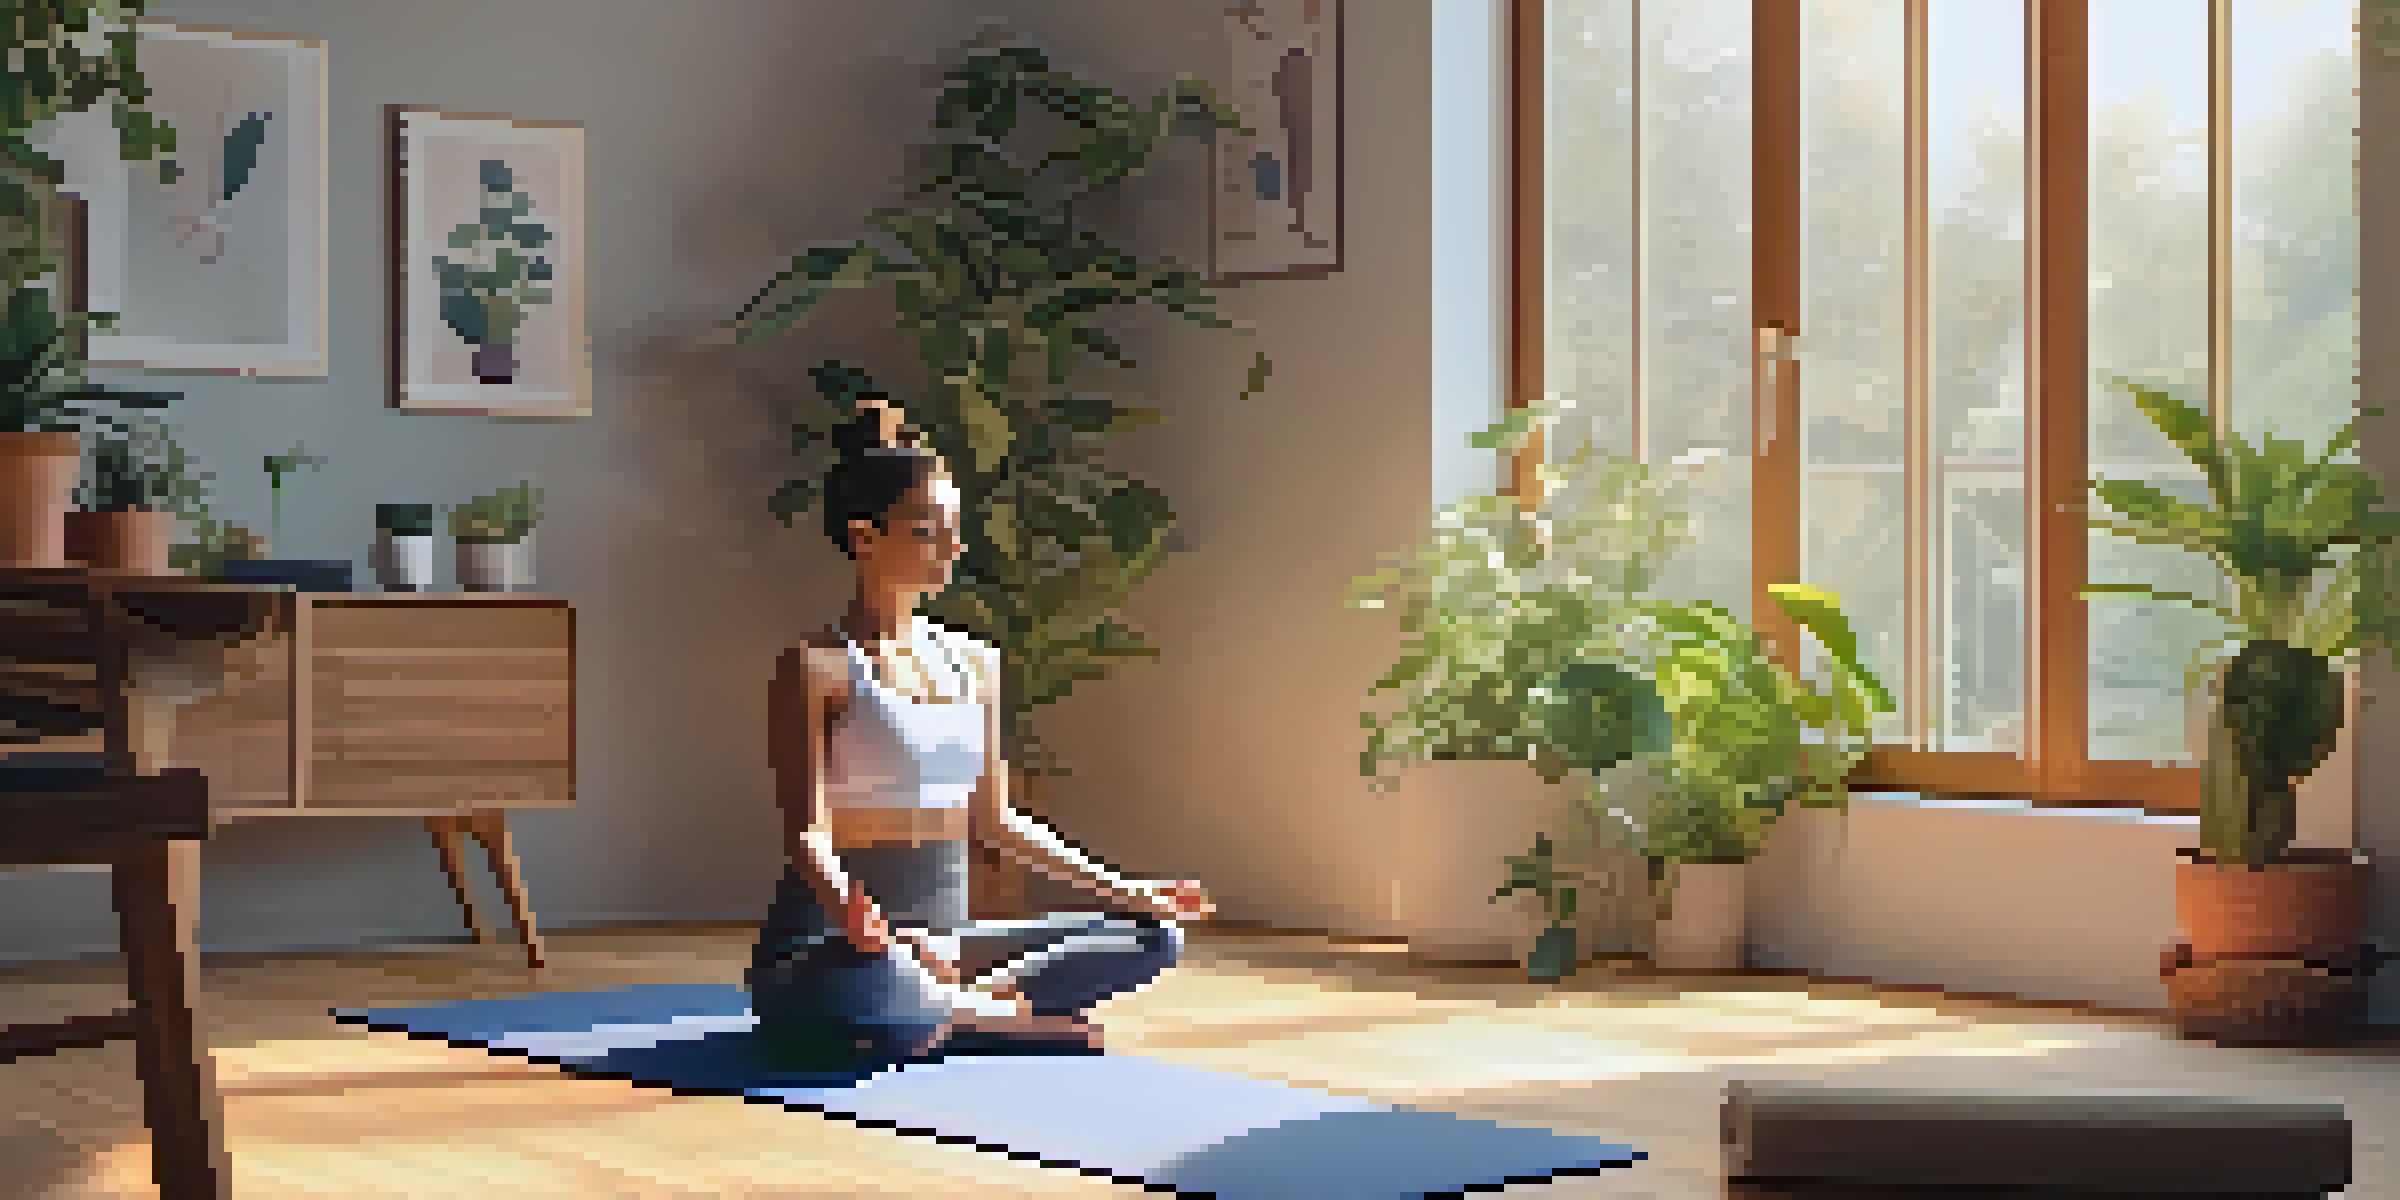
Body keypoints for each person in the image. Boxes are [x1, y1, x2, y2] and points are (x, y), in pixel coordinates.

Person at [746, 401, 1216, 1073]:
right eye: (927, 531)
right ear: (864, 537)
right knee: (867, 977)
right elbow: (807, 834)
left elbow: (995, 821)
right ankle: (993, 1017)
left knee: (1154, 938)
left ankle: (948, 1012)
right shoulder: (816, 664)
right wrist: (852, 910)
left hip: (952, 943)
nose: (953, 550)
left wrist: (1126, 889)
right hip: (836, 946)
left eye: (954, 533)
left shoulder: (975, 663)